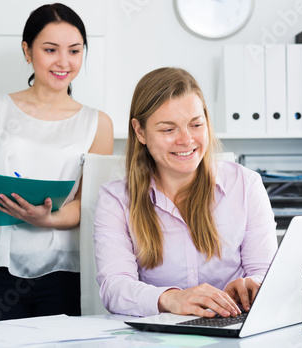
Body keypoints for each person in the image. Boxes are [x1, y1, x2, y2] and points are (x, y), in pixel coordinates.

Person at [0, 3, 113, 322]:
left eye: (74, 50)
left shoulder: (98, 123)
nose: (63, 62)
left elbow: (89, 202)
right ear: (28, 51)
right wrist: (16, 206)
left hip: (65, 269)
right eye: (50, 49)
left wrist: (47, 219)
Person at [94, 67, 277, 318]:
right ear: (140, 132)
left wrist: (253, 285)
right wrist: (171, 298)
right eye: (169, 129)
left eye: (196, 124)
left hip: (232, 328)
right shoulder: (116, 200)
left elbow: (266, 272)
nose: (187, 140)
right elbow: (114, 288)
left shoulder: (246, 185)